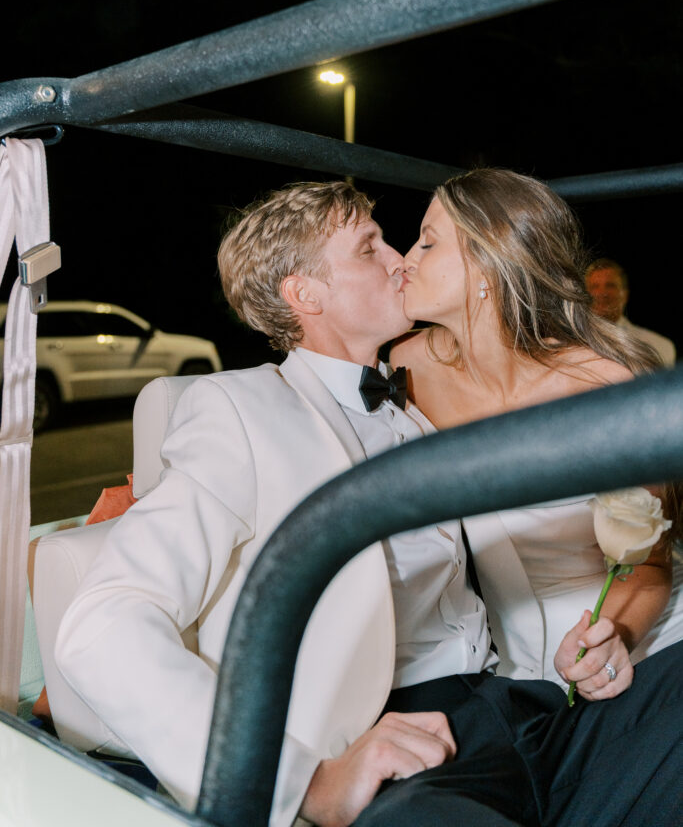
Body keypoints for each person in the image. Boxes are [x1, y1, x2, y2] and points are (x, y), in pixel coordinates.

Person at [55, 179, 682, 827]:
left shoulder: (416, 392)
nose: (400, 260)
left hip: (527, 706)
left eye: (402, 242)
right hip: (402, 746)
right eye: (369, 248)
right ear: (305, 294)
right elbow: (104, 622)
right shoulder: (241, 410)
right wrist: (304, 783)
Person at [391, 168, 683, 690]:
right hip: (504, 662)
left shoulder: (602, 386)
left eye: (427, 243)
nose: (405, 259)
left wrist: (612, 637)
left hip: (636, 639)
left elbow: (649, 566)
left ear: (488, 264)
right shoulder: (409, 367)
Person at [585, 257, 676, 369]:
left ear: (625, 295)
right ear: (584, 296)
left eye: (610, 285)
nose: (602, 293)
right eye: (594, 286)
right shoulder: (571, 345)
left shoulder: (658, 347)